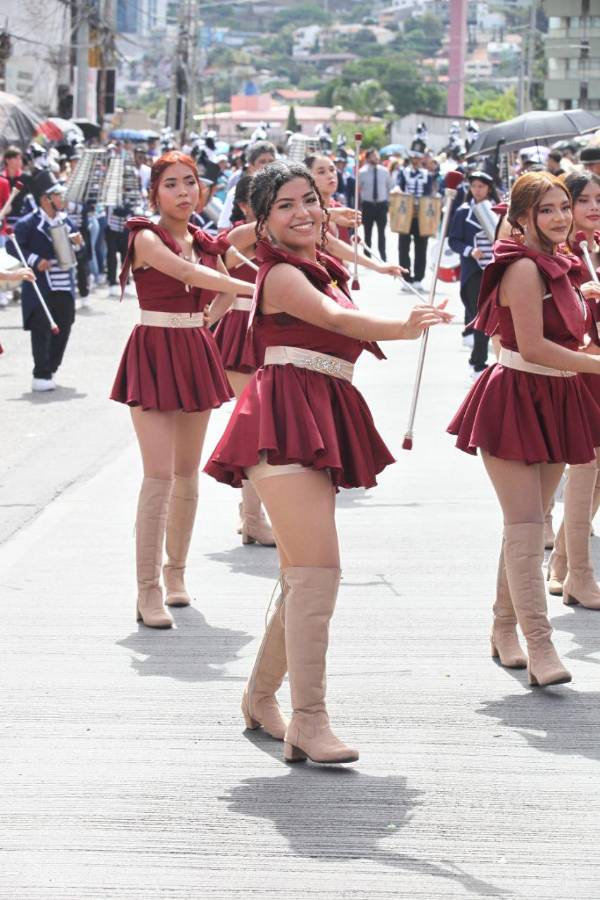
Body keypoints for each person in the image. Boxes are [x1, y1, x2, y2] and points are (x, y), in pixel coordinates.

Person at [204, 162, 451, 764]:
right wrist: (403, 324)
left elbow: (339, 309)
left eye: (309, 200)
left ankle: (263, 699)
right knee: (318, 572)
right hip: (282, 415)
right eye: (284, 205)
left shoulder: (318, 264)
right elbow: (338, 320)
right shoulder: (282, 274)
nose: (304, 213)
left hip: (316, 410)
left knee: (304, 575)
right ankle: (309, 721)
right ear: (260, 222)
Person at [447, 171, 600, 687]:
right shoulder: (522, 270)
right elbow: (532, 347)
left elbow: (574, 335)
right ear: (521, 218)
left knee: (530, 521)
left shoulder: (566, 263)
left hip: (558, 396)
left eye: (562, 207)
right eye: (546, 210)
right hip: (515, 395)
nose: (559, 217)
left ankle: (503, 625)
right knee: (527, 527)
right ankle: (540, 644)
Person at [109, 151, 255, 629]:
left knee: (188, 474)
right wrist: (259, 290)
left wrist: (202, 321)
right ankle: (146, 590)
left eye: (190, 183)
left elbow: (228, 289)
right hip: (152, 350)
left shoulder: (202, 239)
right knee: (159, 475)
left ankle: (176, 576)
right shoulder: (146, 238)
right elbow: (192, 275)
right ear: (155, 192)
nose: (183, 192)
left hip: (193, 350)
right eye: (171, 184)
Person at [547, 171, 600, 606]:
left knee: (597, 477)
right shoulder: (559, 257)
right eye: (581, 200)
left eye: (598, 198)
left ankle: (564, 563)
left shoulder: (595, 246)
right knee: (586, 469)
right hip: (582, 371)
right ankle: (578, 576)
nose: (592, 207)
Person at [7, 169, 83, 392]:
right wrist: (34, 259)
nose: (62, 199)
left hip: (64, 284)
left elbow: (81, 252)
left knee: (65, 325)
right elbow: (13, 245)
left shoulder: (67, 221)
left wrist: (79, 243)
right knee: (41, 328)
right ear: (45, 198)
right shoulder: (27, 223)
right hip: (40, 285)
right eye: (57, 195)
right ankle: (41, 372)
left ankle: (51, 368)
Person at [448, 170, 499, 379]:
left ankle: (480, 361)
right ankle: (477, 363)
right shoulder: (463, 211)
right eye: (474, 186)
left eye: (482, 186)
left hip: (494, 269)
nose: (477, 190)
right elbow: (453, 240)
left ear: (489, 188)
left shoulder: (497, 210)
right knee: (481, 316)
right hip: (473, 272)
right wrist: (471, 250)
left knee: (491, 316)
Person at [396, 150, 435, 291]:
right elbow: (398, 186)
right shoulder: (403, 172)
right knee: (403, 247)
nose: (415, 160)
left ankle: (418, 278)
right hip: (405, 215)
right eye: (413, 157)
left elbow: (429, 193)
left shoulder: (427, 175)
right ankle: (406, 278)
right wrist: (398, 191)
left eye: (418, 158)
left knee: (421, 247)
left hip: (421, 216)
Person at [217, 141, 276, 230]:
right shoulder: (237, 192)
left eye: (271, 161)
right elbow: (222, 229)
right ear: (251, 166)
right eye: (262, 162)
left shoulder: (283, 190)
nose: (268, 166)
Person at [358, 148, 391, 262]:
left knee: (382, 232)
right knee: (368, 232)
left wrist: (388, 204)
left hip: (382, 205)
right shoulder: (362, 172)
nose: (376, 157)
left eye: (377, 155)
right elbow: (358, 189)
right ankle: (367, 256)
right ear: (367, 158)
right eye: (373, 155)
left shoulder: (385, 171)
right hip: (368, 205)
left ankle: (383, 255)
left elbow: (388, 187)